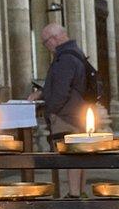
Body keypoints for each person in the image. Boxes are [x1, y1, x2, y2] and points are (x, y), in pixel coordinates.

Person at [28, 23, 89, 198]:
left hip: (66, 115)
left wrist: (50, 110)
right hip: (76, 112)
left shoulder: (65, 58)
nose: (46, 47)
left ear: (54, 39)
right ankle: (80, 192)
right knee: (79, 154)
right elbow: (59, 84)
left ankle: (74, 194)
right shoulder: (74, 52)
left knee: (71, 155)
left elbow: (61, 90)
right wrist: (41, 92)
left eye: (45, 43)